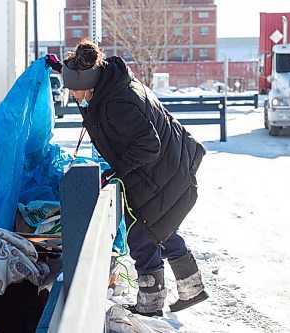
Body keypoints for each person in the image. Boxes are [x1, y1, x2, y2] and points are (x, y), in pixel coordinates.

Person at [45, 41, 208, 317]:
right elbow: (84, 80)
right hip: (168, 168)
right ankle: (191, 287)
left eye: (73, 89)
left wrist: (116, 171)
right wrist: (61, 68)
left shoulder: (117, 103)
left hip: (160, 172)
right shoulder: (108, 83)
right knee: (161, 227)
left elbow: (148, 145)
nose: (71, 94)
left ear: (88, 83)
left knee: (142, 234)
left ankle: (151, 303)